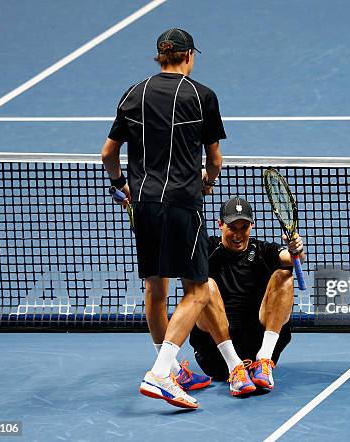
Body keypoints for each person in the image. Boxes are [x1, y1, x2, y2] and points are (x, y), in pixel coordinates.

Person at [101, 28, 240, 409]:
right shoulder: (202, 96)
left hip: (143, 204)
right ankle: (161, 372)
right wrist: (207, 183)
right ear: (189, 56)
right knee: (196, 289)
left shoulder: (134, 93)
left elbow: (108, 154)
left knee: (155, 289)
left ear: (160, 56)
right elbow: (214, 161)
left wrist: (119, 187)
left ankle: (173, 367)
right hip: (182, 204)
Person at [189, 196, 305, 391]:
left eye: (244, 227)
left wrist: (296, 249)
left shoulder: (263, 250)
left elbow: (291, 258)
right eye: (232, 227)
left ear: (252, 225)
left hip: (257, 344)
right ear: (220, 225)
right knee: (204, 285)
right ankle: (234, 366)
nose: (238, 234)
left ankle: (264, 360)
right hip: (215, 354)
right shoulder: (207, 248)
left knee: (284, 276)